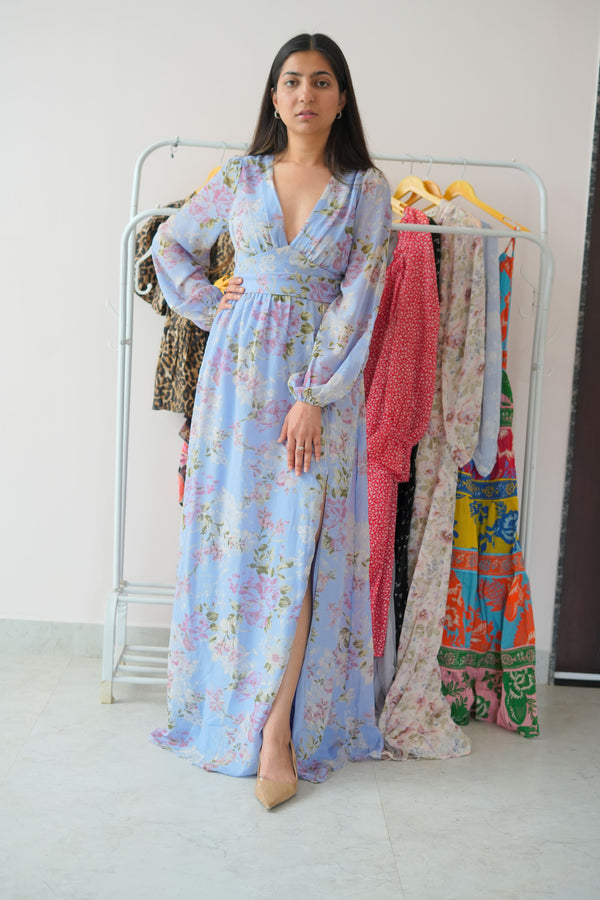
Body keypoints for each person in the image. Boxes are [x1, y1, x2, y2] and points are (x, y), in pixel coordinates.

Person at [150, 32, 391, 809]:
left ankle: (280, 729)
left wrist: (313, 395)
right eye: (291, 81)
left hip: (313, 391)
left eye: (320, 82)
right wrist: (210, 303)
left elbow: (359, 299)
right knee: (238, 542)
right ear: (274, 95)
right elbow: (170, 245)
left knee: (299, 549)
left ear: (341, 98)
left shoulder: (364, 189)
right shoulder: (241, 175)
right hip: (234, 384)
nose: (304, 94)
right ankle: (229, 705)